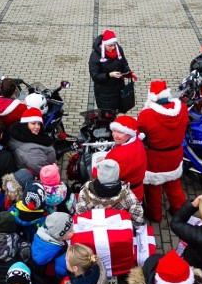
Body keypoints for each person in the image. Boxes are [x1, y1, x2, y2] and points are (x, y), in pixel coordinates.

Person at [137, 80, 188, 222]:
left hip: (155, 158)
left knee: (153, 188)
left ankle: (156, 215)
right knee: (173, 184)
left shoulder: (147, 115)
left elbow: (138, 131)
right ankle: (180, 212)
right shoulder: (182, 109)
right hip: (175, 155)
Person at [75, 159, 145, 227]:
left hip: (94, 232)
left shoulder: (85, 193)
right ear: (117, 174)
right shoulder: (128, 195)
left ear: (99, 174)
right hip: (118, 234)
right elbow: (137, 218)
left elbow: (79, 216)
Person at [88, 29, 132, 113]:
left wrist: (127, 71)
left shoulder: (118, 49)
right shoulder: (95, 56)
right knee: (106, 115)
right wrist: (109, 75)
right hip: (104, 94)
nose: (113, 48)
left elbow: (124, 62)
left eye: (114, 45)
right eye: (110, 46)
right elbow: (95, 76)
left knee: (115, 112)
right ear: (104, 44)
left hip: (119, 89)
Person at [105, 115, 147, 202]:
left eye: (120, 132)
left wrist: (96, 167)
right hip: (138, 190)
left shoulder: (118, 155)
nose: (114, 135)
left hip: (126, 196)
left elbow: (105, 176)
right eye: (114, 131)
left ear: (129, 133)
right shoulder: (137, 141)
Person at [8, 107, 56, 173]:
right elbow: (42, 171)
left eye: (39, 124)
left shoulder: (24, 135)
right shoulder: (30, 150)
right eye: (33, 123)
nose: (37, 127)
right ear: (25, 125)